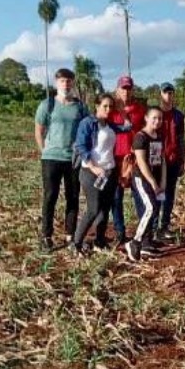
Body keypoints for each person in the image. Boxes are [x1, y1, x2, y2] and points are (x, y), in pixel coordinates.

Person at [34, 68, 88, 252]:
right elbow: (39, 130)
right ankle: (46, 236)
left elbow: (87, 128)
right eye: (63, 81)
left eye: (69, 81)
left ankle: (70, 235)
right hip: (51, 158)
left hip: (72, 159)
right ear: (57, 83)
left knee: (72, 198)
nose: (66, 84)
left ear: (73, 84)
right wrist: (44, 150)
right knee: (50, 196)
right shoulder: (47, 105)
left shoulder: (80, 107)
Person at [72, 94, 129, 253]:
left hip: (109, 172)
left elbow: (127, 127)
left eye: (111, 106)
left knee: (104, 208)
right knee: (93, 208)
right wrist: (93, 166)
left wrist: (122, 113)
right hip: (91, 172)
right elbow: (81, 147)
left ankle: (100, 240)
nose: (108, 109)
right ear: (96, 106)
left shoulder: (110, 125)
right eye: (105, 106)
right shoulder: (88, 123)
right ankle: (76, 243)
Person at [125, 106, 167, 261]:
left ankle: (146, 243)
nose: (157, 121)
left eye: (160, 118)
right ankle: (135, 242)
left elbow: (162, 160)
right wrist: (153, 182)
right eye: (154, 117)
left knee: (154, 210)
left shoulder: (159, 136)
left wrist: (162, 181)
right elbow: (141, 163)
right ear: (146, 118)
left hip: (155, 178)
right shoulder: (140, 137)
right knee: (150, 208)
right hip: (142, 179)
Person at [109, 75, 147, 244]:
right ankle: (120, 232)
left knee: (139, 195)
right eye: (123, 88)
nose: (126, 91)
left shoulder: (139, 109)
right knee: (116, 198)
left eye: (129, 88)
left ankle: (143, 231)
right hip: (115, 158)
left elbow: (144, 131)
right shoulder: (111, 109)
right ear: (118, 89)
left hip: (135, 159)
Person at [157, 82, 185, 238]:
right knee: (157, 193)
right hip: (157, 160)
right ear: (161, 94)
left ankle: (165, 225)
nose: (168, 95)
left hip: (173, 159)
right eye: (165, 92)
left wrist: (182, 159)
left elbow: (181, 139)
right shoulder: (155, 113)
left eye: (170, 92)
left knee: (169, 194)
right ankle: (154, 226)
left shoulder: (178, 115)